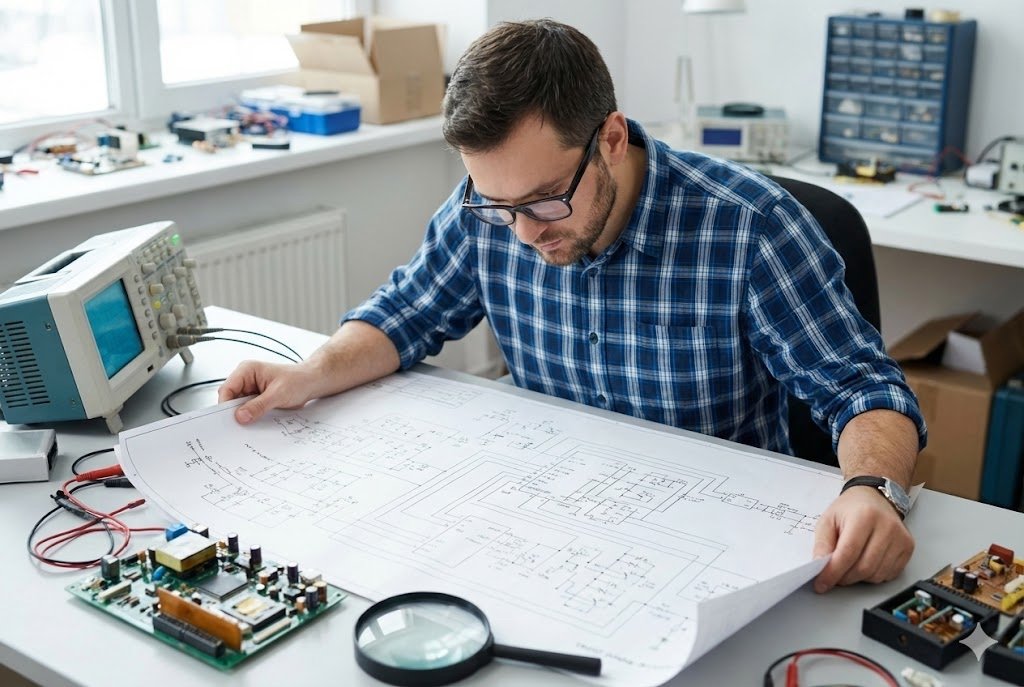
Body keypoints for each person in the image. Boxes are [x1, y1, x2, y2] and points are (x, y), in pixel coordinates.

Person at [219, 19, 926, 594]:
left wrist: (873, 488)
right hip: (554, 535)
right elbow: (406, 313)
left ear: (611, 140)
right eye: (498, 205)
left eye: (544, 200)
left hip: (716, 543)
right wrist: (310, 373)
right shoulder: (488, 214)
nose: (524, 233)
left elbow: (864, 388)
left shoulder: (750, 228)